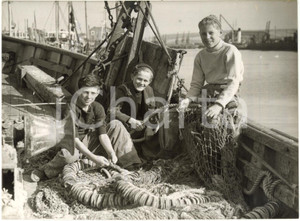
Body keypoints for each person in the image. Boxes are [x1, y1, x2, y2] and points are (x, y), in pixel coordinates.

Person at [31, 73, 141, 182]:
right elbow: (74, 138)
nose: (89, 97)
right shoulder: (70, 107)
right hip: (71, 141)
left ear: (98, 93)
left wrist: (111, 152)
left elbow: (102, 134)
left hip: (88, 140)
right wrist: (94, 158)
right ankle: (45, 170)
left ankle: (131, 164)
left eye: (93, 93)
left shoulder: (98, 108)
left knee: (116, 125)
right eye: (85, 92)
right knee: (69, 156)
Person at [178, 14, 244, 119]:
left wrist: (218, 105)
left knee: (213, 121)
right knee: (181, 115)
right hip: (208, 92)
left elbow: (233, 83)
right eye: (203, 34)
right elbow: (196, 84)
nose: (207, 37)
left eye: (211, 33)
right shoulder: (200, 56)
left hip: (228, 93)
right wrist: (188, 99)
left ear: (220, 33)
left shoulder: (230, 51)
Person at [109, 63, 163, 160]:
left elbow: (151, 109)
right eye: (139, 79)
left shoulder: (149, 90)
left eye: (145, 80)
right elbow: (112, 111)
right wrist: (130, 120)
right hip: (125, 127)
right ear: (132, 76)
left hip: (141, 126)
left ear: (150, 81)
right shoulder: (122, 89)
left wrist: (150, 126)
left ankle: (149, 156)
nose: (142, 83)